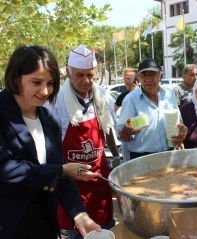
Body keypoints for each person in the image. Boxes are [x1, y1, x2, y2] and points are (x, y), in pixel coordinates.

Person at [0, 45, 102, 239]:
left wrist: (79, 214)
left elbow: (58, 173)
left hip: (44, 225)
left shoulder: (49, 119)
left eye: (51, 83)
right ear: (15, 78)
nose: (45, 91)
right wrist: (61, 170)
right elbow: (6, 168)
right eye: (36, 82)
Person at [48, 45, 119, 239]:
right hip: (71, 181)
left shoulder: (102, 96)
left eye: (90, 75)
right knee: (76, 233)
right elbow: (49, 146)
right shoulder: (55, 101)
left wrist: (117, 157)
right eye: (79, 75)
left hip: (98, 175)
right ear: (69, 72)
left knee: (105, 230)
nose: (86, 81)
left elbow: (109, 128)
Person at [117, 58, 187, 160]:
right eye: (144, 75)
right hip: (141, 158)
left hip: (168, 155)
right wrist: (126, 131)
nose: (148, 79)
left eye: (152, 74)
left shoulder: (169, 94)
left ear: (161, 76)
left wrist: (182, 131)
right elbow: (122, 137)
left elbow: (178, 121)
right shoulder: (130, 99)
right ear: (139, 78)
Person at [114, 67, 139, 163]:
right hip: (126, 135)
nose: (126, 81)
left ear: (136, 78)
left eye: (129, 78)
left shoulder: (142, 93)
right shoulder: (122, 96)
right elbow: (113, 112)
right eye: (125, 78)